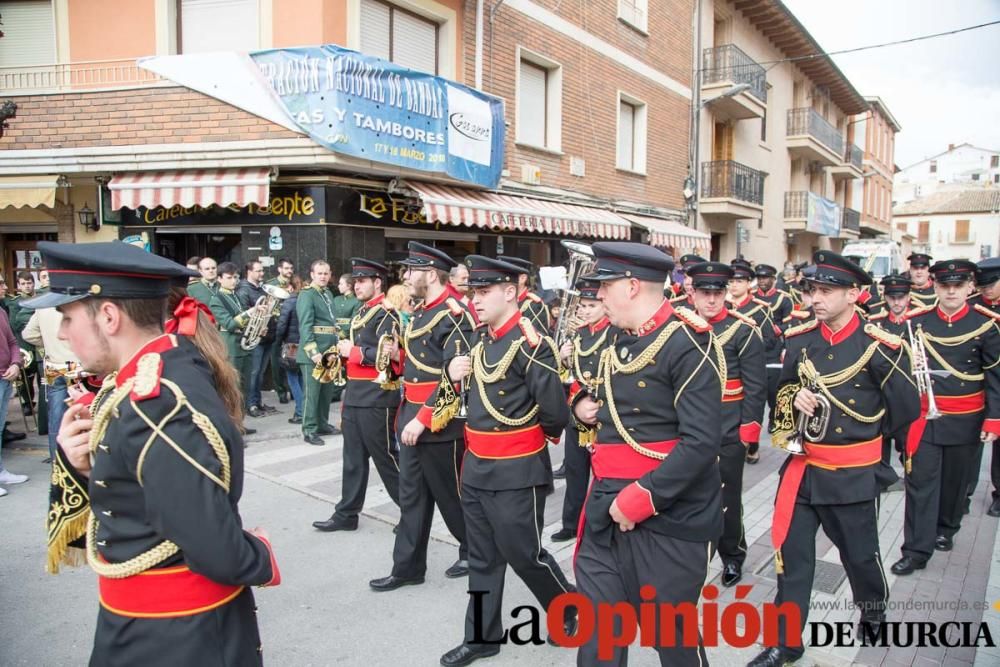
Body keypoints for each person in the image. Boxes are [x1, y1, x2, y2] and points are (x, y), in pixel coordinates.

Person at [36, 240, 279, 664]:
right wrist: (80, 466)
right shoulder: (145, 377)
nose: (61, 333)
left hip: (176, 637)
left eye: (67, 316)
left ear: (109, 316)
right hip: (151, 626)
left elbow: (217, 549)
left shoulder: (159, 402)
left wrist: (259, 557)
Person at [748, 251, 920, 667]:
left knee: (860, 557)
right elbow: (783, 394)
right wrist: (796, 400)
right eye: (812, 290)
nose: (815, 299)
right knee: (791, 561)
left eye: (827, 291)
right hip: (804, 472)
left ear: (855, 294)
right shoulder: (802, 338)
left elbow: (906, 410)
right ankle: (785, 643)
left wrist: (876, 456)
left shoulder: (881, 346)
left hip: (853, 473)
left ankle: (874, 611)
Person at [572, 242, 723, 666]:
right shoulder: (617, 339)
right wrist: (580, 409)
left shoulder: (688, 342)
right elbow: (609, 408)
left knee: (671, 641)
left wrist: (641, 499)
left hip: (668, 515)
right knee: (600, 635)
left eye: (605, 286)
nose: (598, 295)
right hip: (606, 504)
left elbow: (700, 442)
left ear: (633, 286)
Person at [440, 255, 574, 667]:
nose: (475, 300)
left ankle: (569, 609)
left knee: (524, 553)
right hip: (478, 466)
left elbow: (555, 412)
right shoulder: (486, 339)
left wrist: (527, 444)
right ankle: (482, 636)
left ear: (510, 292)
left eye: (484, 292)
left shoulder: (529, 343)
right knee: (481, 557)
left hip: (516, 468)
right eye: (473, 292)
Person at [369, 242, 470, 592]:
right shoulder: (423, 310)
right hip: (411, 412)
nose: (405, 277)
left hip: (440, 422)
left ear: (430, 273)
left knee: (451, 495)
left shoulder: (453, 314)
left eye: (411, 270)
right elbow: (418, 365)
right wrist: (396, 357)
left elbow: (458, 380)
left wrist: (422, 419)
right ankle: (408, 566)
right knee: (412, 496)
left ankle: (474, 549)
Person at [890, 259, 1000, 575]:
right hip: (924, 418)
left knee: (954, 486)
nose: (951, 291)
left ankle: (947, 527)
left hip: (966, 418)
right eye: (944, 285)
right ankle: (915, 550)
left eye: (957, 285)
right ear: (936, 287)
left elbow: (995, 377)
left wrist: (994, 420)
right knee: (920, 483)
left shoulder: (987, 325)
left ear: (970, 287)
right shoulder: (916, 321)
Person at [690, 261, 766, 588]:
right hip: (687, 428)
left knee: (726, 499)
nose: (711, 300)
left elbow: (755, 386)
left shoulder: (743, 329)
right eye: (704, 293)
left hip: (727, 430)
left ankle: (733, 555)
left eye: (717, 293)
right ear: (691, 294)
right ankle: (692, 556)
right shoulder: (680, 326)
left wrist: (748, 430)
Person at [313, 258, 402, 532]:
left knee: (386, 459)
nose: (357, 285)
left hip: (377, 396)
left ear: (378, 283)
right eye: (356, 280)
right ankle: (347, 513)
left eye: (362, 280)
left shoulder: (387, 314)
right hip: (356, 394)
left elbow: (390, 357)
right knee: (352, 458)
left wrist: (351, 352)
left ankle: (412, 511)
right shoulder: (363, 311)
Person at [552, 276, 607, 542]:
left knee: (603, 473)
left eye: (591, 306)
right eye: (582, 306)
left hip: (603, 414)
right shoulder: (579, 333)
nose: (585, 311)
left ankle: (599, 522)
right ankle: (570, 523)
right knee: (575, 470)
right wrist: (563, 357)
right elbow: (568, 374)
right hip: (577, 410)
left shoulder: (615, 332)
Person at [729, 259, 780, 464]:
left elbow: (770, 339)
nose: (734, 285)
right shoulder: (723, 306)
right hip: (729, 370)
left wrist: (749, 348)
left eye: (739, 281)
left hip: (752, 366)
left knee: (752, 404)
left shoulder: (759, 309)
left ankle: (753, 445)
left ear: (748, 283)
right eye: (731, 281)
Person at [868, 274, 914, 491]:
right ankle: (882, 477)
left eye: (901, 297)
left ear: (908, 297)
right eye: (892, 297)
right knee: (881, 437)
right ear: (885, 297)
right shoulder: (875, 322)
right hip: (882, 390)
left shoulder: (918, 322)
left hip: (907, 389)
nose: (897, 302)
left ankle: (911, 474)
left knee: (907, 438)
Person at [22, 305, 83, 463]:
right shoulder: (77, 301)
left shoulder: (44, 306)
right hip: (78, 364)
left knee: (56, 416)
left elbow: (28, 334)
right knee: (85, 411)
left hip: (54, 365)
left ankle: (57, 462)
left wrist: (48, 343)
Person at [297, 261, 342, 446]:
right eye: (319, 273)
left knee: (326, 392)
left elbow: (332, 324)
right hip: (314, 354)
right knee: (312, 393)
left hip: (330, 352)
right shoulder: (307, 295)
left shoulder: (328, 293)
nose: (323, 276)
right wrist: (313, 352)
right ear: (312, 274)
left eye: (326, 273)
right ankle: (309, 429)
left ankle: (322, 424)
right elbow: (305, 325)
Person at [208, 262, 257, 427]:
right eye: (229, 278)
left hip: (244, 345)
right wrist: (249, 313)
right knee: (233, 389)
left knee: (244, 388)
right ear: (220, 279)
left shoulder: (235, 295)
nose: (234, 281)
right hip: (231, 346)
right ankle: (233, 427)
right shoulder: (217, 299)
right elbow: (229, 324)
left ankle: (240, 424)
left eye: (236, 277)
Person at [971, 258, 1000, 517]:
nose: (986, 290)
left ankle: (999, 494)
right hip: (979, 381)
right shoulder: (974, 307)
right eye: (982, 286)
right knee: (974, 439)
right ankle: (965, 491)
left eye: (991, 285)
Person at [237, 261, 278, 418]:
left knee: (260, 373)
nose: (262, 274)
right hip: (255, 338)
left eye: (262, 270)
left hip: (267, 336)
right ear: (249, 271)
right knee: (253, 373)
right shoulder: (243, 290)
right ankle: (251, 404)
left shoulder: (262, 288)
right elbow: (243, 314)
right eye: (259, 271)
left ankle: (258, 401)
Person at [0, 300, 26, 498]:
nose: (2, 286)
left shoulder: (1, 311)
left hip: (5, 378)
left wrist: (16, 364)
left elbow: (12, 342)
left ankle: (1, 472)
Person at [275, 276, 304, 425]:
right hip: (304, 343)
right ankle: (305, 410)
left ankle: (300, 412)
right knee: (301, 378)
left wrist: (278, 341)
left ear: (290, 288)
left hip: (291, 345)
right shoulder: (305, 300)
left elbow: (281, 326)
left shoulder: (289, 302)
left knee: (292, 378)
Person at [266, 258, 295, 405]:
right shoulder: (271, 284)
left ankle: (293, 390)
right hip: (276, 326)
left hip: (291, 327)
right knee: (277, 361)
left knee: (292, 359)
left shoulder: (294, 284)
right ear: (279, 269)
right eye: (286, 268)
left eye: (290, 268)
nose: (289, 271)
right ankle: (281, 391)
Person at [498, 255, 550, 333]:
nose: (502, 280)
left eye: (507, 277)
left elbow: (536, 341)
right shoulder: (499, 302)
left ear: (522, 278)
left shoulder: (533, 306)